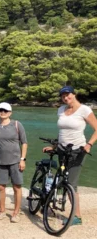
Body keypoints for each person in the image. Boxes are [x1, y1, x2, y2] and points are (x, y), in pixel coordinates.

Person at [43, 86, 97, 226]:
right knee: (63, 179)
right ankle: (54, 203)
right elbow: (62, 131)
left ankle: (77, 216)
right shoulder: (61, 110)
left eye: (68, 95)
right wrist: (54, 146)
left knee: (71, 183)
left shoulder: (84, 110)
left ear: (74, 94)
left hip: (77, 151)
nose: (66, 98)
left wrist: (89, 144)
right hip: (62, 149)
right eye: (63, 96)